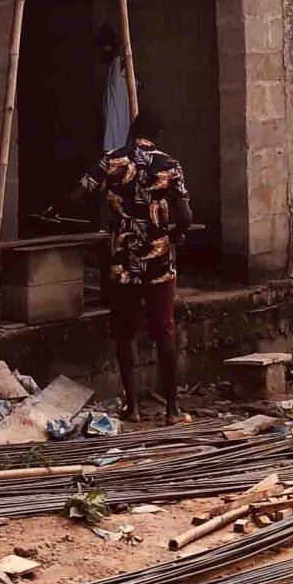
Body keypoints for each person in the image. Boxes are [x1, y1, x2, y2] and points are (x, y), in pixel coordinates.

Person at [75, 109, 194, 421]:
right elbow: (185, 216)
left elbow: (80, 193)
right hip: (159, 262)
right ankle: (172, 409)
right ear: (159, 134)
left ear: (132, 130)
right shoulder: (171, 166)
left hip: (122, 262)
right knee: (164, 331)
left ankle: (133, 408)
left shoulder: (111, 161)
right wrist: (173, 237)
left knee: (125, 333)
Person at [94, 25, 131, 155]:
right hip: (112, 139)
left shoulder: (118, 65)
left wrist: (119, 48)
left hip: (119, 139)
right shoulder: (112, 69)